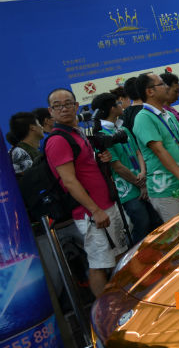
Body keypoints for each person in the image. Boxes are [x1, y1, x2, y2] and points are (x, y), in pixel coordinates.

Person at [45, 88, 128, 296]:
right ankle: (104, 311)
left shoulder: (76, 133)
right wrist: (95, 210)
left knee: (119, 256)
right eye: (57, 106)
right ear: (51, 111)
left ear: (76, 106)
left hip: (106, 205)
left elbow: (85, 169)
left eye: (67, 103)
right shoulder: (58, 140)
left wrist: (102, 160)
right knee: (99, 264)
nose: (63, 108)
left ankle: (125, 300)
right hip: (91, 213)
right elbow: (69, 181)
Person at [91, 93, 162, 244]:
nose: (121, 105)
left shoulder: (123, 129)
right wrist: (140, 184)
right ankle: (137, 255)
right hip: (127, 191)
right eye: (118, 103)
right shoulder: (101, 136)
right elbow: (117, 166)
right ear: (112, 108)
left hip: (143, 180)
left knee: (156, 220)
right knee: (142, 222)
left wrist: (143, 173)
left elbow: (138, 152)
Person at [133, 73, 179, 222]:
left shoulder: (168, 114)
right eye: (162, 84)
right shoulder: (143, 118)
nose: (167, 87)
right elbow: (159, 150)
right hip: (166, 189)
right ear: (150, 91)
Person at [7, 112, 44, 176]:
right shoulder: (20, 153)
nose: (42, 127)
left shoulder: (28, 151)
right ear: (32, 128)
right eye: (39, 124)